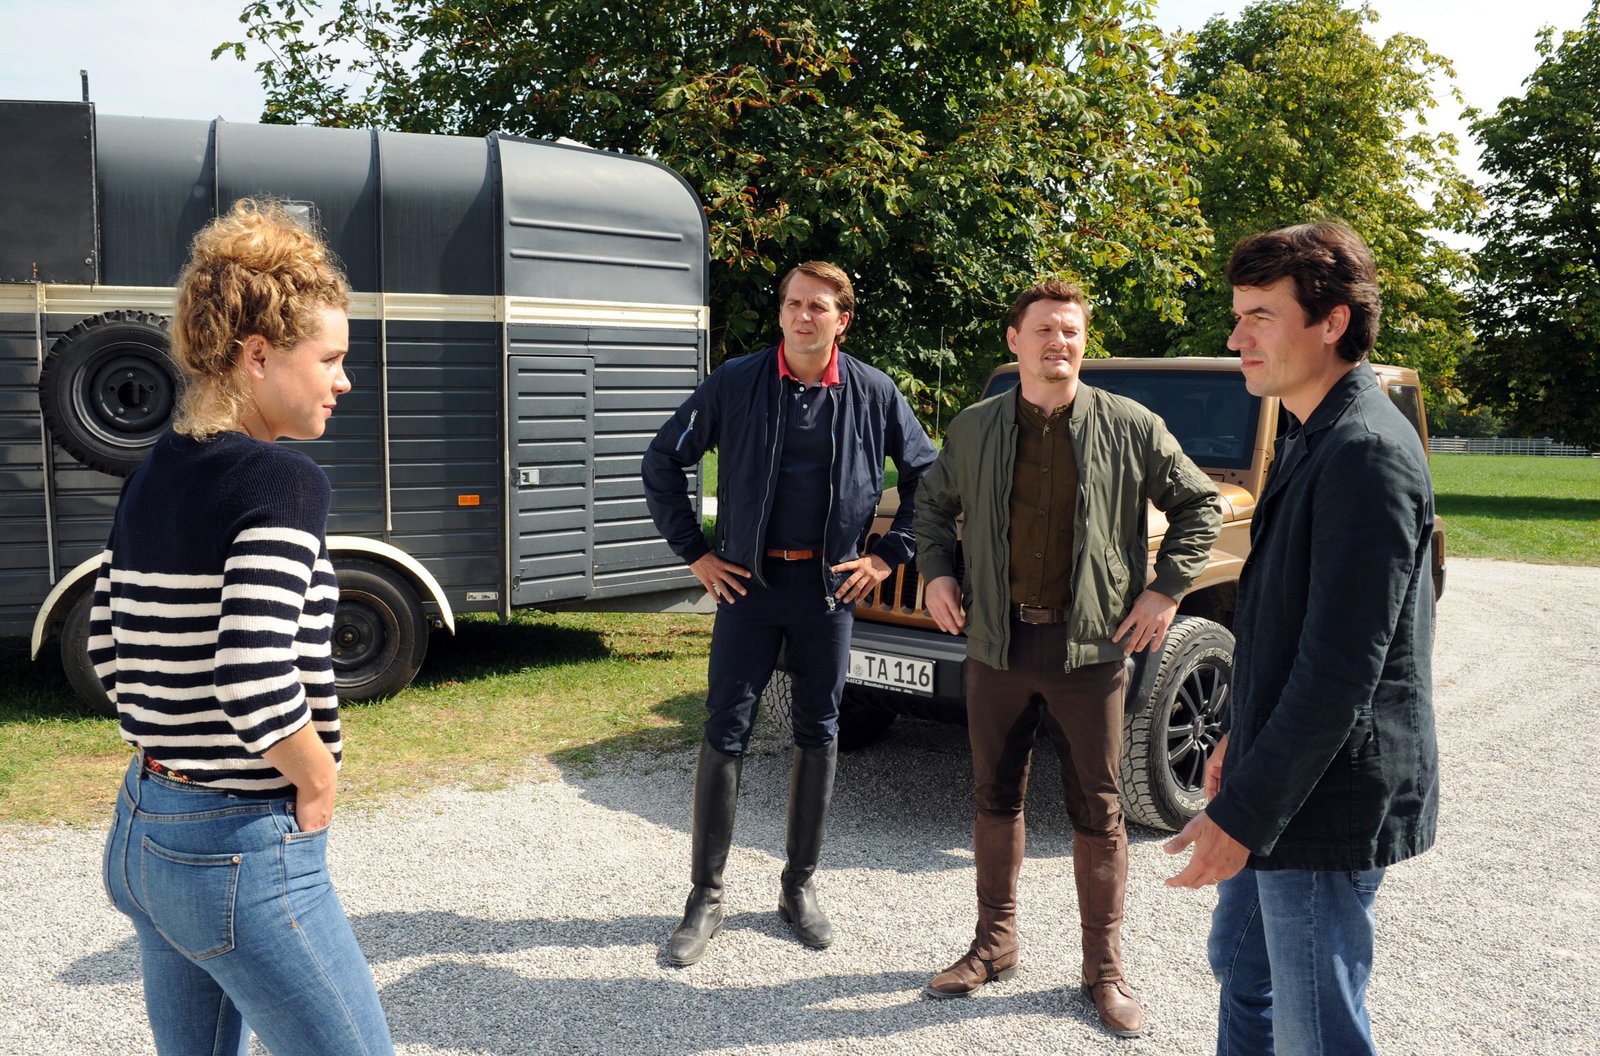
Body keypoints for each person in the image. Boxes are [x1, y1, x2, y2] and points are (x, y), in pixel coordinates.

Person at [93, 199, 394, 1055]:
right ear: (257, 355)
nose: (343, 380)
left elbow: (105, 646)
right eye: (330, 359)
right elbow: (254, 675)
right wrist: (318, 779)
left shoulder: (154, 471)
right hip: (234, 850)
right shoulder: (282, 482)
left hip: (143, 827)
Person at [915, 280, 1222, 1037]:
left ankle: (1104, 971)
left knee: (1099, 808)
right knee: (994, 795)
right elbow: (931, 505)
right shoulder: (975, 427)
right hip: (997, 646)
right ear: (1015, 341)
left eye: (1072, 331)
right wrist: (937, 572)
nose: (1060, 342)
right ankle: (994, 945)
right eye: (1045, 330)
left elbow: (1200, 503)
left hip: (1090, 652)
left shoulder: (1129, 424)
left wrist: (1166, 590)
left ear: (1084, 342)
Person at [1164, 222, 1439, 1056]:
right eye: (1238, 314)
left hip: (1324, 797)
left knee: (1314, 1025)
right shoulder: (1309, 431)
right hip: (1279, 771)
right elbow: (1281, 625)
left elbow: (1339, 672)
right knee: (1243, 970)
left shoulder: (1365, 452)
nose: (1236, 337)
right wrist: (1234, 739)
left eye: (1261, 316)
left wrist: (1243, 813)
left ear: (1333, 322)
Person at [642, 260, 937, 966]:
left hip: (829, 592)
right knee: (725, 729)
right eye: (793, 304)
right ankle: (705, 896)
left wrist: (886, 558)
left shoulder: (872, 391)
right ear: (782, 313)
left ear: (843, 320)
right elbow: (662, 461)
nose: (804, 316)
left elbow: (930, 477)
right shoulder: (737, 381)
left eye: (819, 306)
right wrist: (696, 554)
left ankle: (798, 888)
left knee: (819, 729)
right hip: (747, 587)